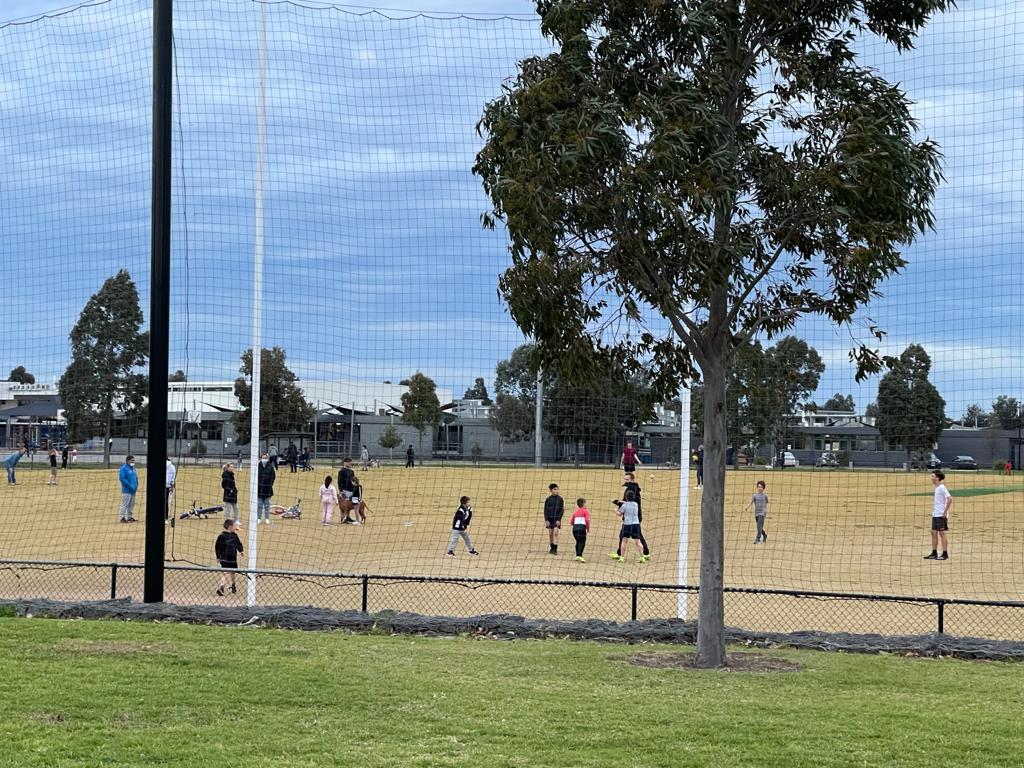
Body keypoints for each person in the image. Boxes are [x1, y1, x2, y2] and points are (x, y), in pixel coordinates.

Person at [610, 473, 649, 559]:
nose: (625, 481)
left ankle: (644, 553)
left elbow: (628, 503)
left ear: (632, 480)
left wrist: (616, 502)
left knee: (632, 536)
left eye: (627, 479)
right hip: (632, 517)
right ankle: (645, 552)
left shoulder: (632, 491)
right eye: (625, 479)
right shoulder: (631, 489)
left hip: (634, 517)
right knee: (634, 535)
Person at [924, 470, 952, 561]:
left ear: (937, 478)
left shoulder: (942, 487)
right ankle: (934, 553)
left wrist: (945, 512)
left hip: (941, 515)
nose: (931, 478)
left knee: (942, 533)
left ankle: (945, 554)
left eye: (932, 476)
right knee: (933, 532)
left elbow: (950, 499)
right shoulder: (936, 487)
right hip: (935, 514)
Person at [612, 491, 644, 563]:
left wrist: (615, 510)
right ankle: (642, 557)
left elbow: (620, 514)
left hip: (627, 525)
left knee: (624, 541)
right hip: (636, 525)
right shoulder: (636, 504)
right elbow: (627, 503)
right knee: (638, 542)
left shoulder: (625, 505)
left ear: (626, 497)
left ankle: (622, 557)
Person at [214, 519, 244, 596]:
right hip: (225, 558)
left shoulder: (234, 536)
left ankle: (233, 585)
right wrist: (218, 557)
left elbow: (238, 544)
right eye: (235, 526)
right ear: (230, 527)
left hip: (231, 558)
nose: (236, 528)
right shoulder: (222, 536)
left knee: (231, 573)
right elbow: (217, 547)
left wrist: (241, 551)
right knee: (225, 573)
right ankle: (222, 587)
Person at [544, 483, 564, 555]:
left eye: (557, 489)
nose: (556, 490)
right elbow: (545, 510)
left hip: (556, 519)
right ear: (551, 490)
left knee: (555, 533)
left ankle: (555, 549)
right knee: (550, 534)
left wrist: (559, 520)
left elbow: (562, 510)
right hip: (549, 519)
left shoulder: (560, 499)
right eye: (554, 489)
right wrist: (546, 520)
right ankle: (552, 548)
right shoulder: (548, 499)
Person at [118, 455, 139, 523]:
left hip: (133, 490)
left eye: (134, 460)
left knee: (131, 504)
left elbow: (136, 478)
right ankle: (122, 517)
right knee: (125, 504)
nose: (133, 462)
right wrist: (129, 485)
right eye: (132, 460)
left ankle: (129, 517)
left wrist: (136, 486)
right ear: (127, 461)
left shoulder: (133, 468)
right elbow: (122, 478)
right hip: (126, 490)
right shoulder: (123, 468)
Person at [256, 451, 275, 525]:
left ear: (267, 459)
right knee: (259, 505)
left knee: (267, 505)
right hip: (259, 490)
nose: (264, 459)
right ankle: (258, 518)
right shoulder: (257, 467)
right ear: (261, 458)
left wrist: (270, 484)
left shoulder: (270, 467)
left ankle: (267, 518)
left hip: (267, 490)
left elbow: (273, 477)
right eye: (263, 458)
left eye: (265, 458)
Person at [571, 497, 591, 562]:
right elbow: (587, 521)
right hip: (581, 529)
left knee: (578, 542)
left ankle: (577, 555)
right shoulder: (586, 511)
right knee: (582, 542)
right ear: (584, 504)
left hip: (574, 530)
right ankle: (579, 555)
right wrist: (587, 528)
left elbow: (571, 522)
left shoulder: (575, 512)